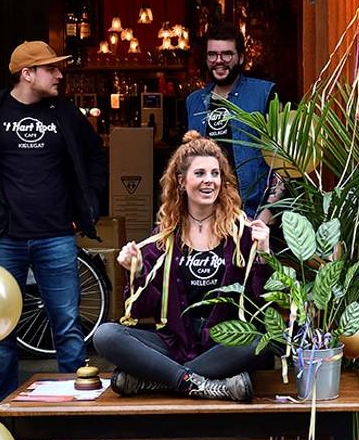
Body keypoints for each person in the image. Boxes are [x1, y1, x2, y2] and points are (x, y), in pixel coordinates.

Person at [0, 41, 107, 397]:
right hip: (2, 236)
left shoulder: (65, 112)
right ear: (27, 74)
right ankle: (7, 406)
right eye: (51, 69)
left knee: (68, 325)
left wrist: (88, 206)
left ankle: (75, 407)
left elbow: (95, 156)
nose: (59, 75)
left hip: (56, 235)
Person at [95, 131, 272, 402]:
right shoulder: (163, 237)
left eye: (215, 174)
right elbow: (143, 311)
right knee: (106, 335)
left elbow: (260, 307)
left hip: (222, 344)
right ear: (181, 181)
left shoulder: (243, 232)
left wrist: (262, 255)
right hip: (174, 342)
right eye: (200, 173)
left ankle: (159, 382)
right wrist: (139, 271)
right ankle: (201, 383)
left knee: (256, 341)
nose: (209, 181)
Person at [185, 23, 282, 221]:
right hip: (208, 215)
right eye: (212, 55)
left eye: (227, 54)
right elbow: (187, 161)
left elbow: (282, 159)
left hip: (254, 213)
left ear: (241, 57)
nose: (219, 61)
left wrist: (267, 213)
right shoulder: (194, 101)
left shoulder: (264, 94)